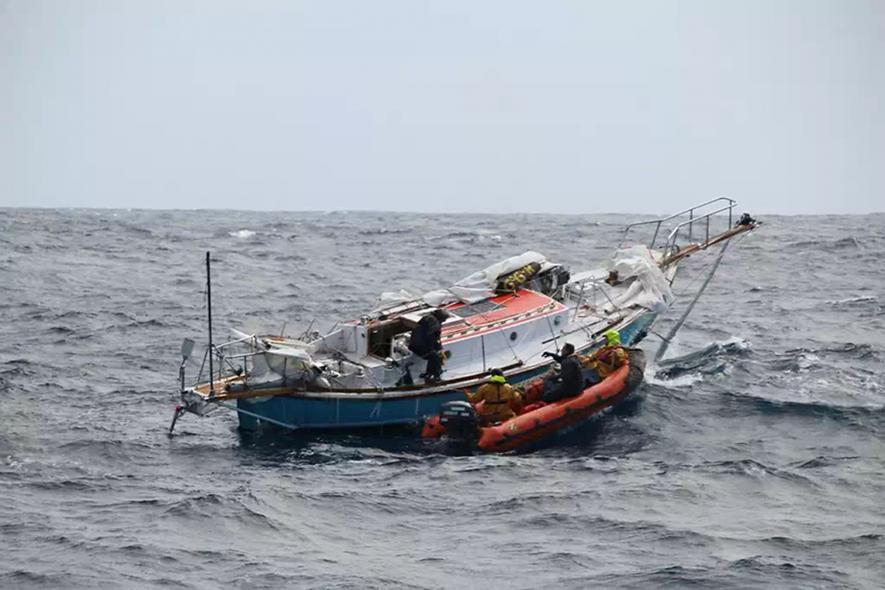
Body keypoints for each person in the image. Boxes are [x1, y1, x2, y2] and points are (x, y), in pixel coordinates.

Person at [408, 308, 450, 384]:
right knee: (436, 357)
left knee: (433, 356)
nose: (444, 321)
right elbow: (432, 337)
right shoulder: (434, 323)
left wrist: (437, 347)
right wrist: (435, 348)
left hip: (413, 344)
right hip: (420, 346)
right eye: (444, 319)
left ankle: (428, 374)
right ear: (441, 317)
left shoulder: (427, 318)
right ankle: (436, 377)